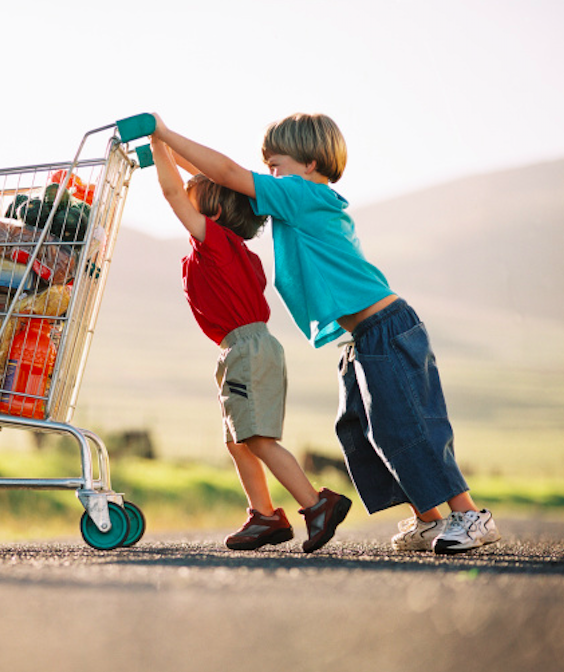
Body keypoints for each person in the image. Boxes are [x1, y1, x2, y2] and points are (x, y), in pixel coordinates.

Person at [149, 112, 501, 555]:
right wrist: (161, 151)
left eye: (275, 166)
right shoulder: (294, 198)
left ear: (309, 165)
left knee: (412, 425)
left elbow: (225, 174)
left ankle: (470, 514)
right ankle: (430, 518)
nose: (269, 175)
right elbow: (215, 181)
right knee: (373, 432)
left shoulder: (302, 195)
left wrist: (162, 133)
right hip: (365, 337)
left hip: (386, 327)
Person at [149, 136, 352, 553]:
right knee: (238, 438)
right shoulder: (230, 251)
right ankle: (264, 516)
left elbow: (171, 192)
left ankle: (317, 505)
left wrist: (157, 138)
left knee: (258, 439)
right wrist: (165, 153)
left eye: (194, 200)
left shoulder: (217, 244)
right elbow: (190, 184)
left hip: (247, 347)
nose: (184, 203)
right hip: (241, 348)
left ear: (215, 212)